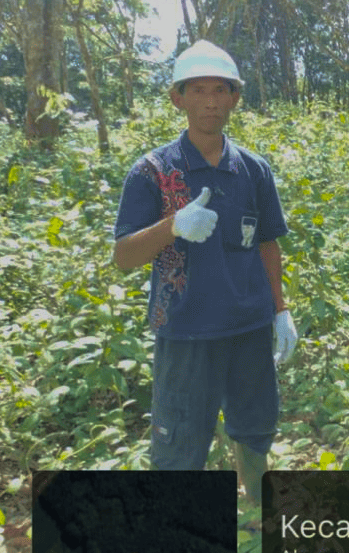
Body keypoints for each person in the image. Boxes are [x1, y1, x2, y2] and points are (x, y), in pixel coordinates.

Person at [113, 39, 298, 512]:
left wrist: (280, 310)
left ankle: (257, 514)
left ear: (236, 97)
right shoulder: (153, 172)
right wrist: (171, 226)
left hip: (249, 327)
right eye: (198, 90)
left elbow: (267, 243)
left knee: (255, 426)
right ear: (178, 98)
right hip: (186, 328)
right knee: (179, 438)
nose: (211, 101)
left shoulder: (254, 170)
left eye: (221, 89)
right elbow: (124, 256)